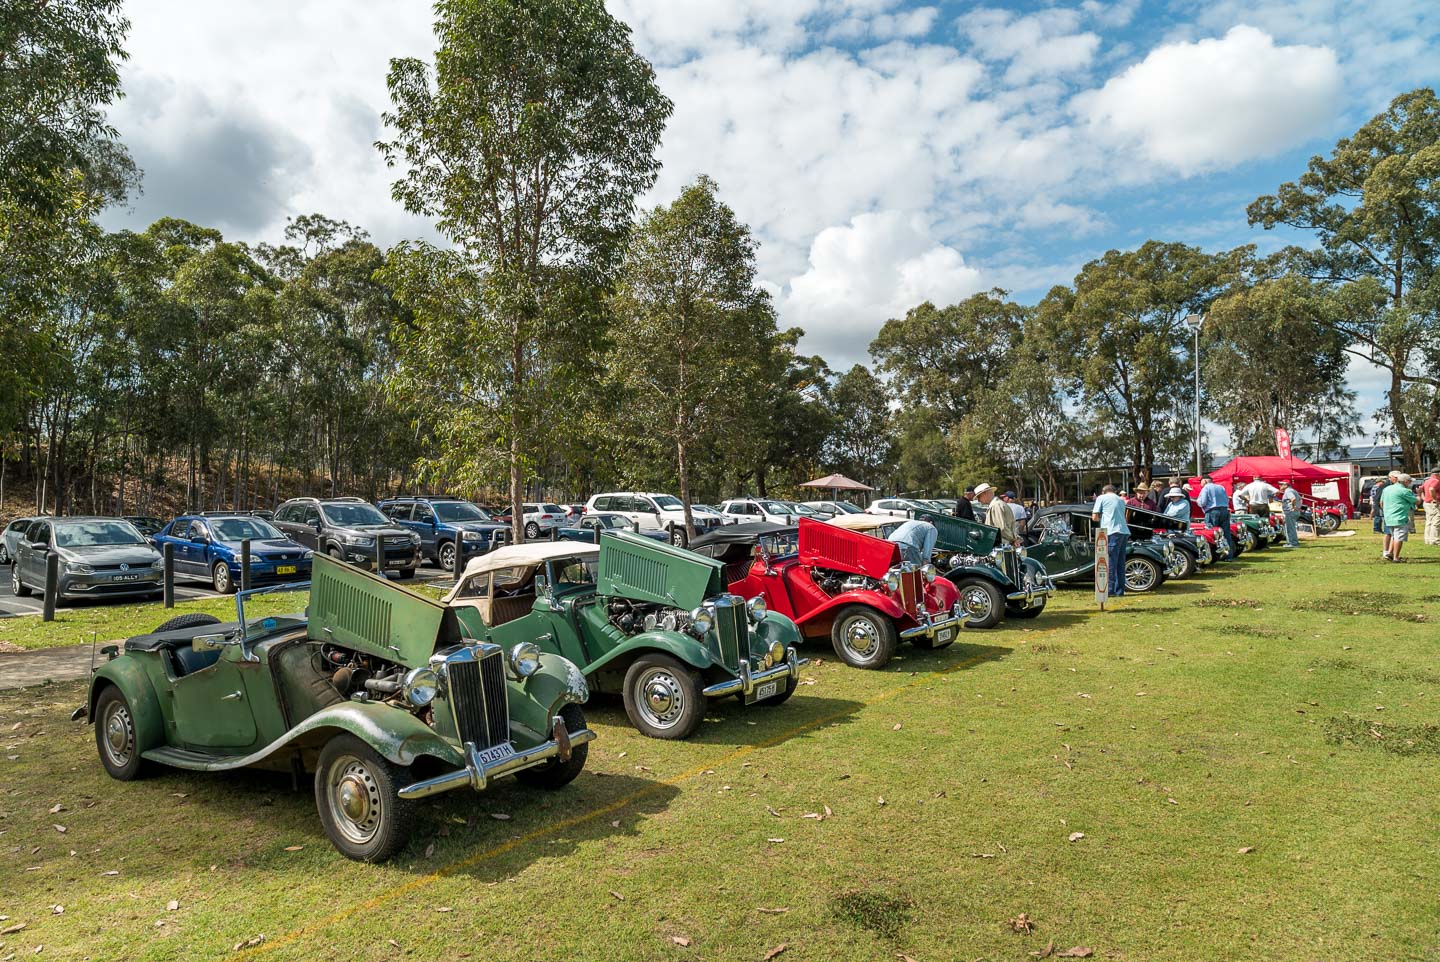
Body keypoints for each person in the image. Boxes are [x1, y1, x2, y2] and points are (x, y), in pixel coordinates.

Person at [1091, 483, 1131, 598]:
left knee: (1110, 562)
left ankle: (1110, 590)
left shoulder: (1101, 498)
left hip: (1111, 531)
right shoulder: (1121, 499)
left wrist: (1100, 517)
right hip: (1124, 531)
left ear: (1103, 492)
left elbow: (1094, 516)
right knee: (1120, 562)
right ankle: (1120, 590)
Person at [1381, 472, 1418, 562]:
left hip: (1388, 517)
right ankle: (1396, 558)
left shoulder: (1386, 489)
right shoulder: (1405, 491)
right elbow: (1416, 501)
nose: (1410, 483)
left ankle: (1390, 553)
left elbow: (1381, 503)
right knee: (1399, 537)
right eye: (1409, 481)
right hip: (1399, 517)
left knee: (1394, 536)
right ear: (1405, 481)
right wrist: (1420, 494)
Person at [1197, 474, 1237, 557]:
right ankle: (1229, 555)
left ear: (1204, 481)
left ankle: (1215, 555)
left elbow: (1203, 502)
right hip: (1224, 510)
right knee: (1226, 533)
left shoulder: (1206, 488)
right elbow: (1226, 499)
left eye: (1200, 482)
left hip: (1212, 511)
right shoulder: (1221, 487)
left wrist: (1198, 502)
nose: (1200, 484)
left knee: (1212, 533)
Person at [975, 482, 1020, 547]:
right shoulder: (998, 504)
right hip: (1004, 544)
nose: (978, 500)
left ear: (985, 493)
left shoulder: (995, 506)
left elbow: (1001, 528)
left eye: (979, 497)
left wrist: (1013, 539)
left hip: (1002, 545)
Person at [1278, 480, 1302, 548]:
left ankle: (1293, 543)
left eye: (1281, 484)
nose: (1279, 486)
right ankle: (1292, 542)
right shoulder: (1293, 490)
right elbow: (1300, 499)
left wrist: (1294, 506)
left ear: (1286, 485)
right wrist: (1298, 507)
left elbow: (1293, 499)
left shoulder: (1288, 491)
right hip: (1295, 512)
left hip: (1290, 512)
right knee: (1292, 527)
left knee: (1290, 528)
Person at [1421, 468, 1440, 546]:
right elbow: (1432, 489)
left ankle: (1428, 540)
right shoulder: (1436, 481)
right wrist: (1435, 499)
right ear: (1438, 474)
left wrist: (1424, 498)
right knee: (1436, 522)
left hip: (1427, 503)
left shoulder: (1427, 481)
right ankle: (1435, 540)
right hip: (1434, 504)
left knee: (1429, 522)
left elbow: (1420, 489)